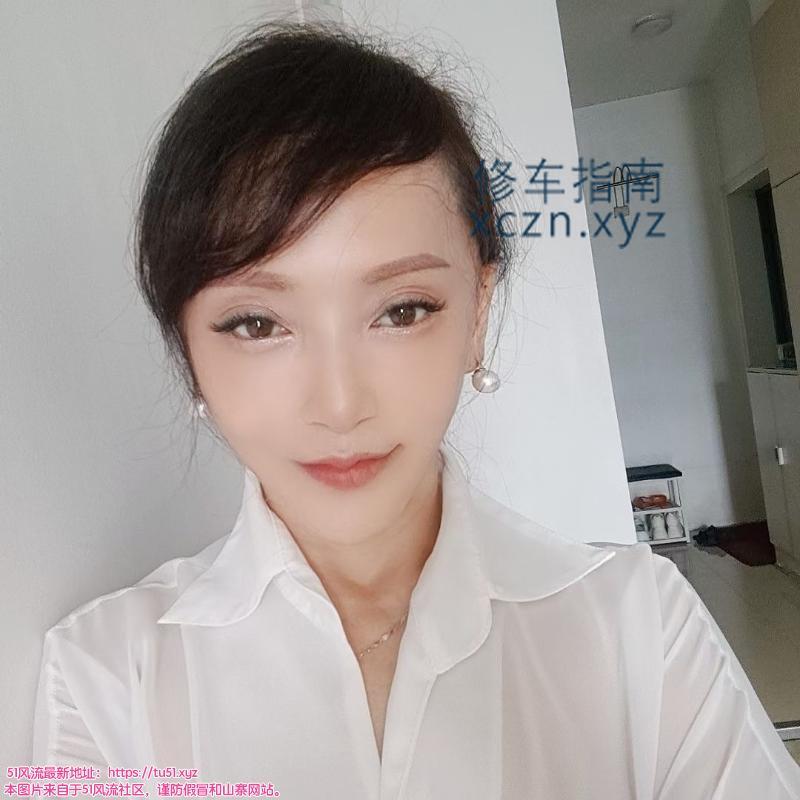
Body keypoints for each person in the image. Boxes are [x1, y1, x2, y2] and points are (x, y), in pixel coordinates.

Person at [31, 18, 800, 799]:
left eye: (401, 310)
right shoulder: (103, 680)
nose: (339, 405)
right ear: (185, 346)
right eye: (257, 324)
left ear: (478, 312)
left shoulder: (640, 624)